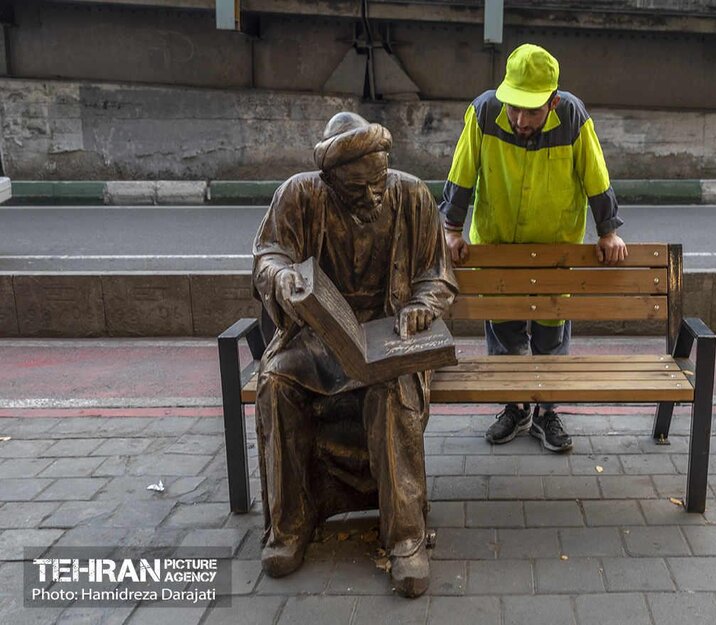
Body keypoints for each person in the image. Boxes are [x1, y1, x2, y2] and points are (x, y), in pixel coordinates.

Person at [252, 112, 457, 597]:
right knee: (277, 383)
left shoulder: (411, 195)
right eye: (357, 188)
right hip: (320, 337)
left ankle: (405, 537)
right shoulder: (299, 195)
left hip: (390, 332)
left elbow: (438, 275)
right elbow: (269, 254)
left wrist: (421, 307)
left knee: (389, 383)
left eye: (378, 182)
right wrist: (281, 278)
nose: (372, 196)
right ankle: (291, 525)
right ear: (330, 178)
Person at [439, 43, 628, 453]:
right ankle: (515, 406)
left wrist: (608, 231)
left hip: (555, 252)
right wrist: (452, 229)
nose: (521, 120)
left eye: (532, 110)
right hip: (498, 248)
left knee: (550, 335)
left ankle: (546, 411)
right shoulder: (485, 112)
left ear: (553, 101)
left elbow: (596, 174)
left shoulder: (573, 117)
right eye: (515, 108)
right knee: (504, 334)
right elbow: (462, 170)